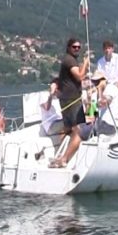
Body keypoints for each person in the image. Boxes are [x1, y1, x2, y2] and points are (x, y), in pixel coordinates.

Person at [49, 37, 89, 168]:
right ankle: (65, 158)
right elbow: (80, 76)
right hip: (72, 99)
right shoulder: (70, 60)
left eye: (78, 47)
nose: (77, 49)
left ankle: (59, 154)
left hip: (66, 98)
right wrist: (86, 64)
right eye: (74, 47)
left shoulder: (68, 60)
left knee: (67, 128)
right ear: (69, 48)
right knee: (79, 130)